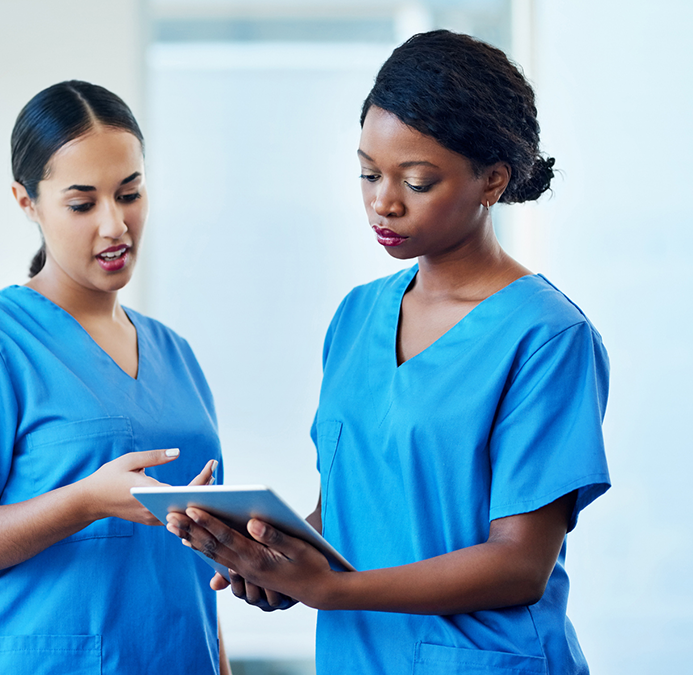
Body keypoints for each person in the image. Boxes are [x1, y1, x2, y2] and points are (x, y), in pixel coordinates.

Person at [165, 30, 610, 674]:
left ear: (493, 179)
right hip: (358, 658)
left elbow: (519, 565)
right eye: (369, 173)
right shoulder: (357, 316)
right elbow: (353, 507)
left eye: (417, 181)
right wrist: (267, 552)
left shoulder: (545, 337)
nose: (384, 201)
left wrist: (331, 590)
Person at [0, 80, 230, 675]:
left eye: (130, 193)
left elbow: (194, 569)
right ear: (27, 201)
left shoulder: (177, 355)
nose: (115, 225)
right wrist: (86, 500)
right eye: (82, 203)